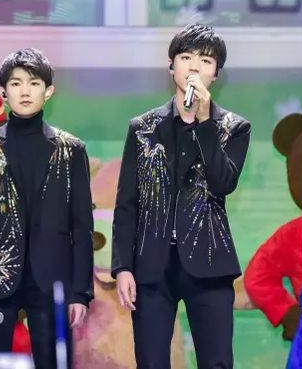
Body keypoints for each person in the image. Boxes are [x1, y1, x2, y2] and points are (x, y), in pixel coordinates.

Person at [111, 23, 251, 369]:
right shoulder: (143, 128)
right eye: (186, 57)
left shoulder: (234, 128)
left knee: (216, 362)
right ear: (171, 66)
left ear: (216, 73)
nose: (194, 67)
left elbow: (223, 183)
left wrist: (204, 123)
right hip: (152, 264)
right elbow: (127, 203)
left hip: (209, 262)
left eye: (205, 60)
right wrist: (123, 267)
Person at [0, 48, 94, 368]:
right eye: (16, 83)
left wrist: (80, 293)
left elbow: (82, 227)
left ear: (49, 91)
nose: (25, 91)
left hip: (53, 282)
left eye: (34, 83)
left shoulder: (72, 150)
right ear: (3, 93)